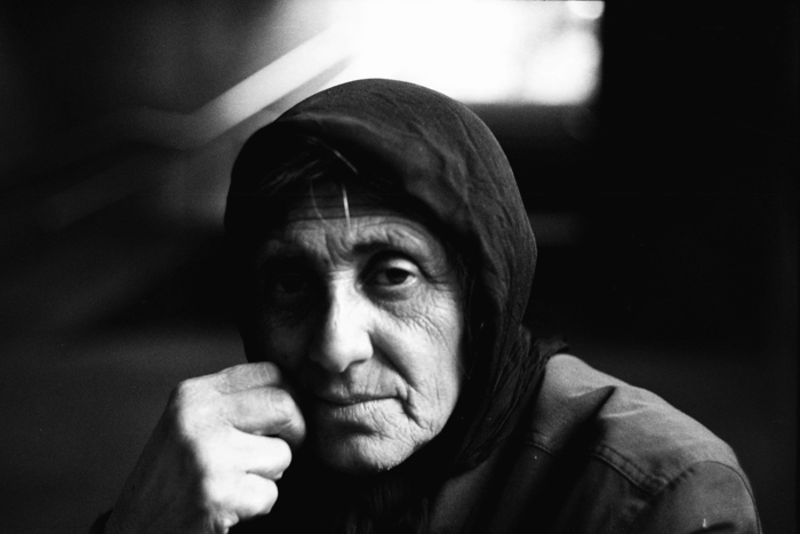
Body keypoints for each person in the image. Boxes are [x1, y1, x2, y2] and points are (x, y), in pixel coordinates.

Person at [97, 79, 760, 533]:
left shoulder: (654, 495)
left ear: (482, 298)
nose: (335, 347)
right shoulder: (226, 479)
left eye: (393, 276)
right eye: (291, 284)